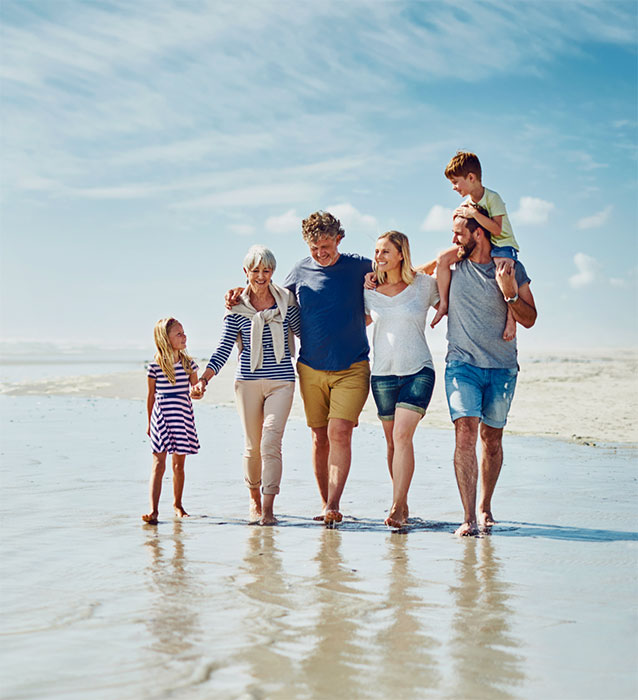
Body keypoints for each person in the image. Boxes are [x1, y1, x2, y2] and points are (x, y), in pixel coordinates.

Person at [228, 212, 372, 524]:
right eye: (314, 247)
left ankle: (334, 503)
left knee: (340, 432)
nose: (321, 253)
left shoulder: (360, 266)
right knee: (319, 436)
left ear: (339, 239)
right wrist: (236, 295)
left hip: (353, 365)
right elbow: (268, 296)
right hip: (311, 367)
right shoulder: (299, 272)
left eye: (326, 245)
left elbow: (397, 274)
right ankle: (324, 504)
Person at [445, 207, 537, 536]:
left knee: (492, 440)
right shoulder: (452, 265)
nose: (454, 239)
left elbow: (530, 318)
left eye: (459, 233)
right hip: (462, 365)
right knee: (466, 432)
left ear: (479, 233)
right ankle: (468, 517)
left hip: (501, 369)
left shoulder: (511, 268)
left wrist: (509, 291)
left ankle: (485, 507)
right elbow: (409, 273)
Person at [193, 245, 300, 525]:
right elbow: (224, 348)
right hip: (248, 383)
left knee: (271, 442)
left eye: (267, 270)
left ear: (273, 272)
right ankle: (253, 501)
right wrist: (204, 379)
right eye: (256, 270)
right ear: (246, 272)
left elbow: (307, 333)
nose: (261, 276)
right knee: (253, 446)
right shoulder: (237, 306)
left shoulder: (287, 301)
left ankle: (268, 508)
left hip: (281, 381)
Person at [364, 231, 440, 528]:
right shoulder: (368, 290)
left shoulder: (423, 286)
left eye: (385, 252)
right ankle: (403, 503)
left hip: (418, 370)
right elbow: (355, 319)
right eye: (377, 252)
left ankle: (396, 506)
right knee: (392, 444)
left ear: (400, 254)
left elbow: (447, 280)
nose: (379, 257)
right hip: (382, 374)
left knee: (401, 436)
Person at [431, 151, 522, 342]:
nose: (454, 188)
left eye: (456, 182)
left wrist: (473, 213)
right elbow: (466, 224)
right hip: (480, 242)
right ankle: (445, 304)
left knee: (503, 273)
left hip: (503, 245)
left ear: (471, 177)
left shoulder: (492, 198)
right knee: (443, 258)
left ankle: (511, 319)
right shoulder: (467, 203)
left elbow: (497, 229)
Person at [143, 317, 200, 525]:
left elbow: (196, 389)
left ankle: (178, 505)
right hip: (162, 417)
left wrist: (198, 391)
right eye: (179, 334)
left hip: (182, 416)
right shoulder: (155, 367)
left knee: (178, 465)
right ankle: (153, 509)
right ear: (165, 339)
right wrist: (149, 422)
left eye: (184, 332)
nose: (184, 336)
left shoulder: (188, 364)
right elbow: (150, 397)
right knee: (158, 464)